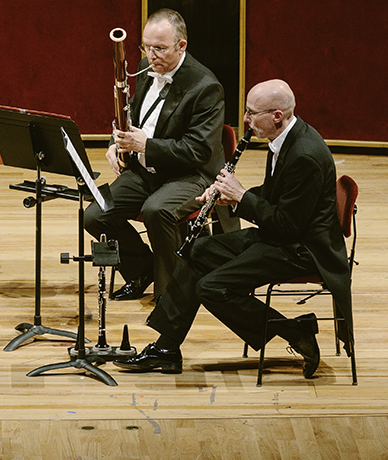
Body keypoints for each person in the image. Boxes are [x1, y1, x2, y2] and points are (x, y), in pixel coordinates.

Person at [113, 80, 351, 379]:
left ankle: (295, 330)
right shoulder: (284, 139)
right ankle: (166, 348)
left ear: (277, 115)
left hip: (304, 250)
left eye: (252, 113)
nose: (246, 120)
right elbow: (278, 194)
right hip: (285, 236)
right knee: (198, 249)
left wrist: (242, 197)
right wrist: (229, 197)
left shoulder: (305, 154)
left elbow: (287, 226)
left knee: (212, 287)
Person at [84, 8, 225, 300]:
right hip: (145, 170)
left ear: (181, 46)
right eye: (146, 47)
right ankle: (142, 269)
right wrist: (117, 142)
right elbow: (133, 114)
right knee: (95, 216)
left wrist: (145, 146)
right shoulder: (148, 68)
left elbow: (198, 150)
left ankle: (171, 297)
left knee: (156, 210)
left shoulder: (205, 87)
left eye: (159, 48)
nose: (151, 55)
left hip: (191, 174)